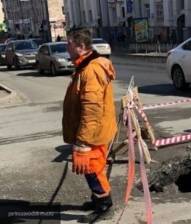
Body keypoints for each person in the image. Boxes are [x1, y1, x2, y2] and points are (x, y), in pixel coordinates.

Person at [62, 28, 117, 222]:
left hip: (92, 133)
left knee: (92, 169)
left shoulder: (91, 70)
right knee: (95, 168)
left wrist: (83, 144)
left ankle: (104, 204)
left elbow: (91, 110)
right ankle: (98, 198)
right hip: (94, 131)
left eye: (69, 43)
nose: (66, 47)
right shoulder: (85, 67)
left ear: (81, 46)